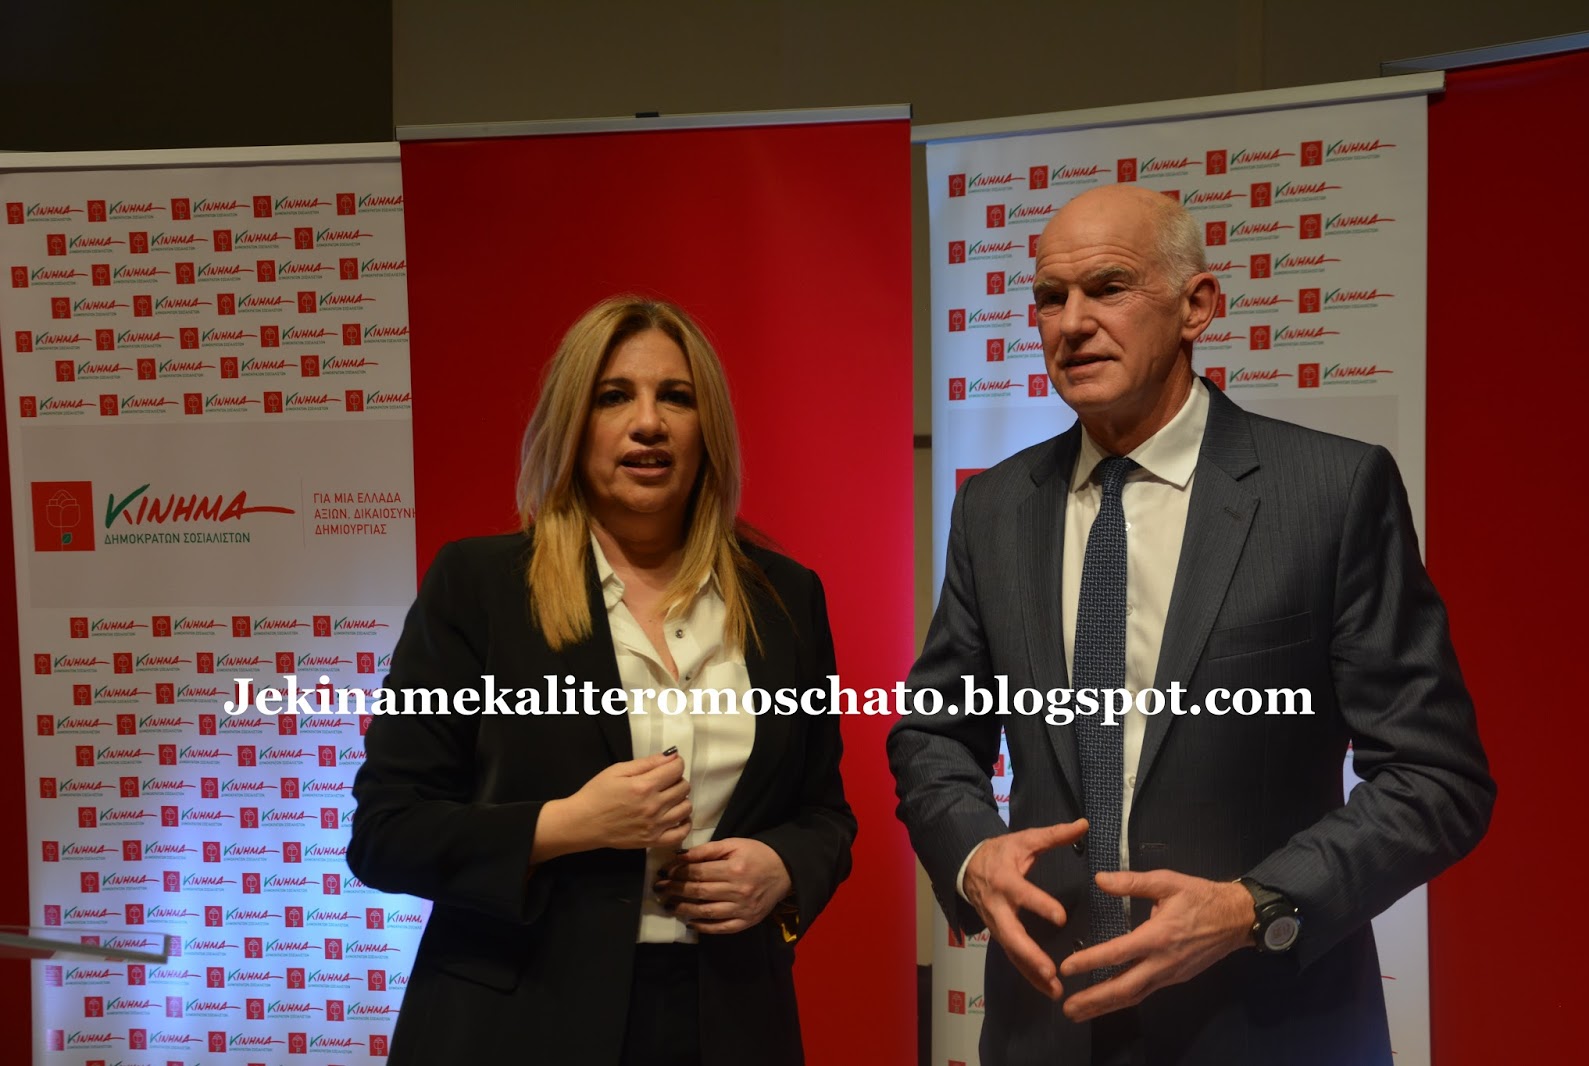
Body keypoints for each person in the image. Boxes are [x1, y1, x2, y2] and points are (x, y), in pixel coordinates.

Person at [887, 185, 1492, 1066]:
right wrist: (972, 854)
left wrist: (1252, 908)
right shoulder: (995, 509)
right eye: (1051, 298)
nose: (1073, 323)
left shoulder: (1330, 493)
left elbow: (1436, 778)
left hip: (1264, 1024)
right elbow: (935, 732)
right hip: (1046, 1025)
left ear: (1197, 306)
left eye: (1108, 287)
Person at [349, 295, 855, 1066]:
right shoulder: (478, 586)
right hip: (514, 1025)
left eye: (676, 397)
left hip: (728, 1022)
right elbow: (387, 833)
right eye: (614, 396)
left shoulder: (785, 598)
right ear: (572, 423)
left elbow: (824, 813)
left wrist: (782, 870)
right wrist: (568, 824)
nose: (648, 423)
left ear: (708, 429)